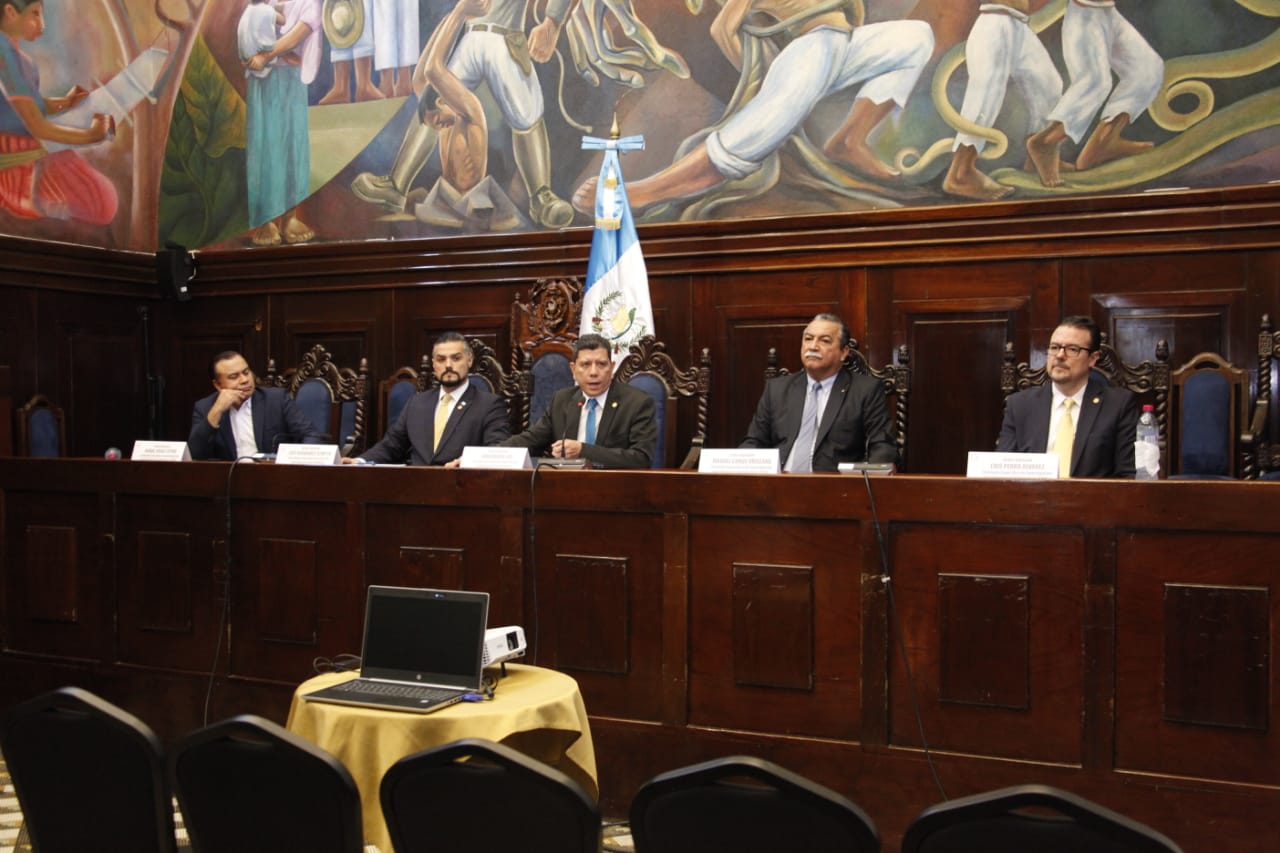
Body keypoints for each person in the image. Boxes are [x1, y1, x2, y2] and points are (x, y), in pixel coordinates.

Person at [572, 0, 933, 215]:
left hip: (847, 47)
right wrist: (760, 80)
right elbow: (723, 28)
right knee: (760, 128)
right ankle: (641, 191)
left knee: (916, 38)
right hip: (811, 49)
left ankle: (849, 139)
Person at [350, 0, 575, 228]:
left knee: (528, 114)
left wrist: (552, 21)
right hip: (470, 34)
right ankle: (397, 185)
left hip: (505, 37)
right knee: (434, 97)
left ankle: (541, 197)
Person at [0, 0, 117, 224]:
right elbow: (37, 126)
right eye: (35, 14)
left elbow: (28, 106)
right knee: (100, 201)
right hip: (15, 164)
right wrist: (91, 136)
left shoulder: (19, 58)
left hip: (31, 148)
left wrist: (65, 102)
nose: (42, 25)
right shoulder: (3, 54)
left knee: (102, 196)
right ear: (10, 11)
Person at [1025, 0, 1162, 187]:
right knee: (1094, 82)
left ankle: (1104, 142)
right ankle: (1046, 141)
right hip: (1084, 15)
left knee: (1147, 69)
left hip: (1107, 13)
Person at [741, 313, 898, 472]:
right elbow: (754, 442)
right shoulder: (777, 389)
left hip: (834, 488)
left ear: (844, 352)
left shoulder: (865, 391)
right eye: (808, 339)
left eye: (824, 341)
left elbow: (883, 448)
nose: (813, 347)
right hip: (778, 485)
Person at [942, 0, 1062, 201]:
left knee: (1049, 87)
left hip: (1018, 26)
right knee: (985, 98)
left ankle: (1037, 157)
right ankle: (960, 174)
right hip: (993, 23)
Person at [997, 315, 1138, 478]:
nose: (1059, 355)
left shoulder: (1118, 405)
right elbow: (1002, 472)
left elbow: (1127, 475)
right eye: (1055, 347)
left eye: (1072, 349)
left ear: (1093, 359)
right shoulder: (1020, 405)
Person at [500, 333, 657, 468]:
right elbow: (531, 440)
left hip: (616, 491)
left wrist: (582, 450)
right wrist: (490, 455)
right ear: (573, 370)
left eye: (601, 364)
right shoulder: (562, 400)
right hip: (567, 489)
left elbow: (641, 458)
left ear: (612, 368)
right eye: (585, 365)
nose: (594, 372)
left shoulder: (637, 403)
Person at [352, 332, 511, 465]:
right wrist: (360, 461)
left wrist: (468, 461)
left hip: (463, 489)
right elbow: (391, 446)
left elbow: (496, 451)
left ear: (469, 360)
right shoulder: (417, 402)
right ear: (434, 364)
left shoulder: (489, 405)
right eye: (441, 359)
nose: (448, 365)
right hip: (414, 489)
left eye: (456, 358)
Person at [242, 0, 322, 246]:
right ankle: (265, 220)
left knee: (292, 147)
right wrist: (268, 54)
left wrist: (268, 54)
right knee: (263, 146)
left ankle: (289, 217)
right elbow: (250, 26)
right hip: (262, 79)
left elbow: (303, 30)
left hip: (290, 80)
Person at [189, 350, 326, 461]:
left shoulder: (276, 400)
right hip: (228, 484)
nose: (244, 380)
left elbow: (312, 435)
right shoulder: (206, 408)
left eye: (246, 372)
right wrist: (217, 410)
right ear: (218, 385)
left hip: (274, 478)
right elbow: (195, 454)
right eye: (234, 377)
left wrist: (297, 462)